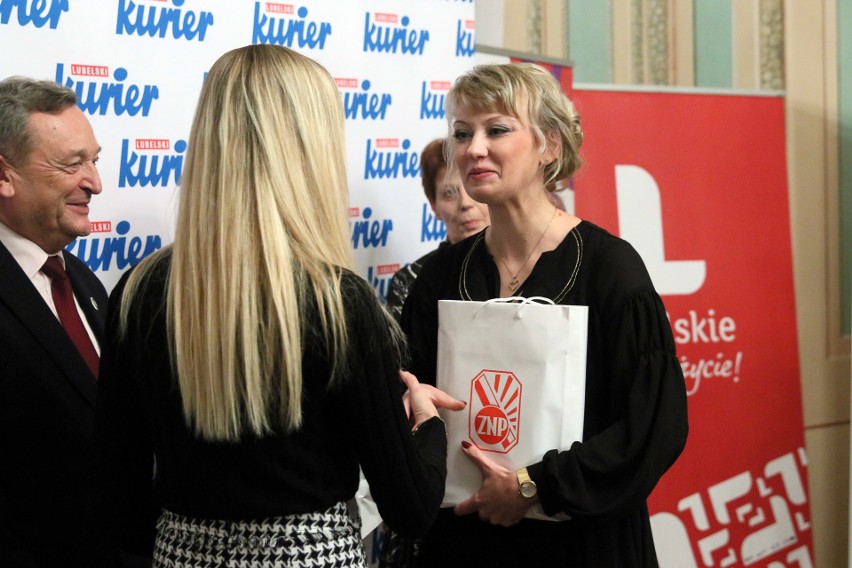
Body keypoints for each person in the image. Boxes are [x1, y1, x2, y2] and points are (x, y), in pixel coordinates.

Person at [94, 44, 464, 566]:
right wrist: (426, 423)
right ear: (312, 149)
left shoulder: (139, 291)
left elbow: (119, 506)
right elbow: (411, 509)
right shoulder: (338, 303)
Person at [400, 63, 689, 566]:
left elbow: (654, 424)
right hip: (467, 539)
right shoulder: (439, 277)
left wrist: (533, 488)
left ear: (549, 145)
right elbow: (406, 394)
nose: (474, 148)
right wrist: (412, 402)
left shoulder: (610, 268)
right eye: (463, 133)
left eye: (497, 129)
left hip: (581, 546)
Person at [0, 78, 112, 566]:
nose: (94, 183)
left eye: (94, 160)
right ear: (5, 176)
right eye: (72, 164)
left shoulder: (83, 282)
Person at [385, 138, 489, 322]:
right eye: (449, 193)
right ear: (434, 205)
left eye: (473, 189)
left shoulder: (520, 269)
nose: (465, 203)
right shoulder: (409, 281)